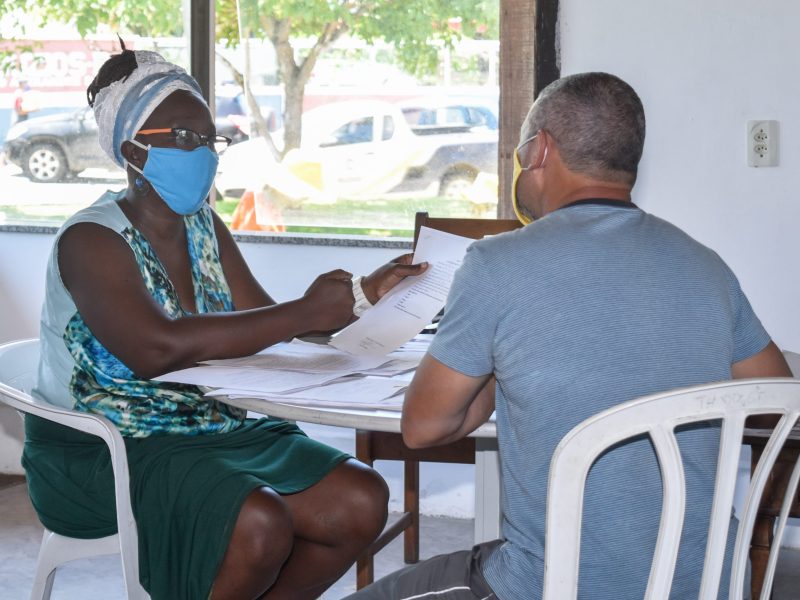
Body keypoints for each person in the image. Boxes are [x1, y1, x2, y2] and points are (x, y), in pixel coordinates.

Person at [346, 72, 792, 599]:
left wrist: (497, 361)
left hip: (550, 587)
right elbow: (774, 397)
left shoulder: (496, 264)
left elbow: (421, 428)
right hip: (708, 585)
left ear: (540, 151)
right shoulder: (706, 267)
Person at [22, 44, 427, 600]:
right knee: (257, 524)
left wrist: (362, 296)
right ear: (132, 150)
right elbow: (155, 350)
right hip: (106, 447)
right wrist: (305, 311)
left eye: (210, 139)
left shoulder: (203, 226)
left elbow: (263, 319)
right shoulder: (91, 239)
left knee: (360, 501)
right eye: (185, 138)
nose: (205, 153)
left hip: (208, 423)